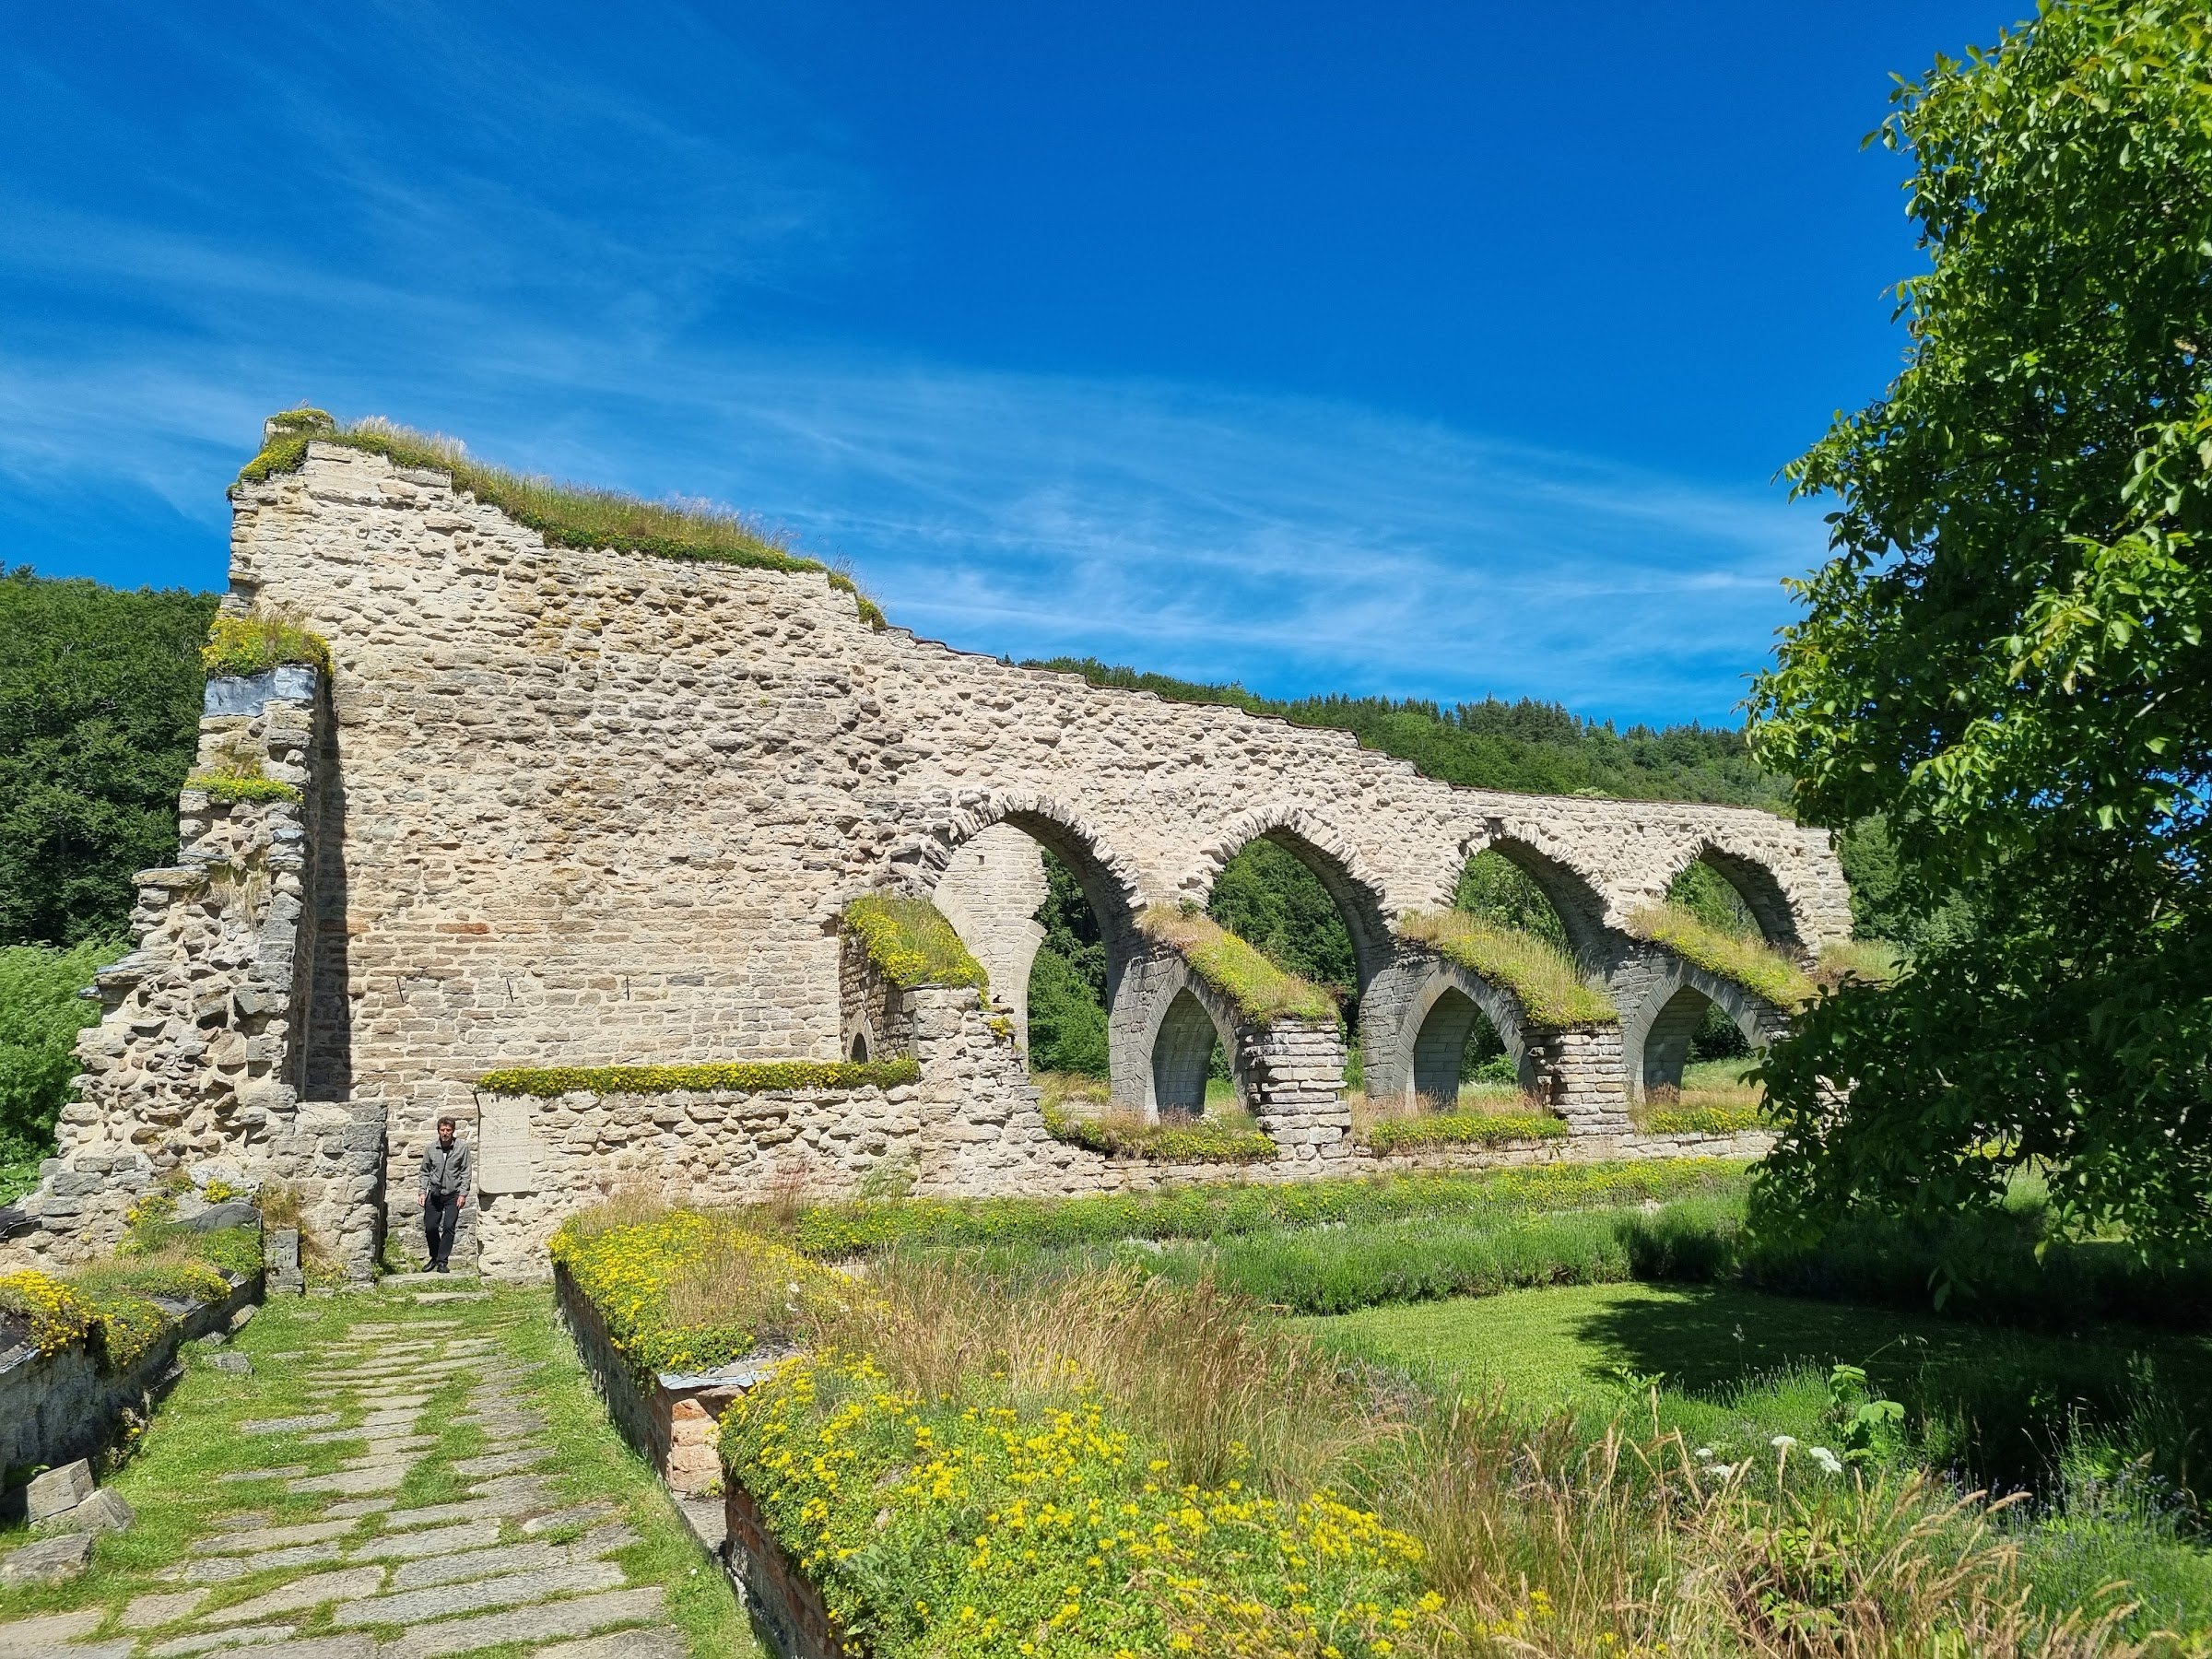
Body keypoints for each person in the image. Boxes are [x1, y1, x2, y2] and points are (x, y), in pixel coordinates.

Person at [418, 1115, 472, 1272]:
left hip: (453, 1194)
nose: (445, 1133)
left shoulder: (462, 1148)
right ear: (438, 1131)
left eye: (448, 1130)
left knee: (449, 1227)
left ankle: (443, 1262)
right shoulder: (430, 1148)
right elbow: (424, 1171)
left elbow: (466, 1172)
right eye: (442, 1130)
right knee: (430, 1228)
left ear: (453, 1131)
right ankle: (434, 1257)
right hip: (434, 1193)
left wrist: (463, 1194)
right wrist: (422, 1191)